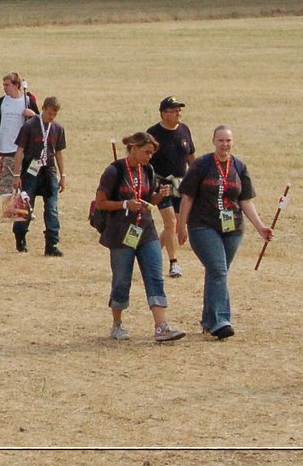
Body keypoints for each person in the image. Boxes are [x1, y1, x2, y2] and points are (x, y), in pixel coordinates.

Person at [177, 125, 273, 340]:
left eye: (228, 140)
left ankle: (208, 320)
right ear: (213, 141)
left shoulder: (239, 166)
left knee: (217, 273)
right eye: (220, 140)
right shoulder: (201, 165)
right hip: (203, 225)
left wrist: (260, 227)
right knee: (218, 270)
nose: (225, 144)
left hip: (232, 228)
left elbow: (245, 200)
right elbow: (187, 197)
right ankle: (221, 321)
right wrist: (181, 226)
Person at [94, 133, 186, 342]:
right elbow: (100, 202)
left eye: (152, 153)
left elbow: (148, 199)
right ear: (134, 148)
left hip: (145, 230)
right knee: (121, 280)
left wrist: (159, 195)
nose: (149, 157)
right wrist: (125, 204)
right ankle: (117, 324)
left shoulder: (148, 170)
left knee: (155, 275)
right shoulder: (114, 171)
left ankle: (161, 326)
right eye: (146, 152)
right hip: (120, 234)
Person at [11, 96, 67, 256]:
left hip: (48, 171)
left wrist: (63, 175)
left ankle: (52, 244)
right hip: (30, 170)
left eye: (55, 115)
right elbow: (20, 151)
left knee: (52, 208)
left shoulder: (57, 128)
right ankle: (20, 236)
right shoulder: (30, 126)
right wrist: (16, 174)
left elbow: (58, 153)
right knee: (26, 206)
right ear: (43, 109)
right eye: (50, 114)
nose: (52, 117)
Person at [148, 96, 197, 279]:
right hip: (161, 184)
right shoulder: (153, 134)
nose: (178, 114)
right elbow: (145, 161)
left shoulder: (184, 130)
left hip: (180, 184)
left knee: (177, 225)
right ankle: (173, 263)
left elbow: (191, 156)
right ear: (163, 114)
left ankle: (151, 252)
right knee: (171, 223)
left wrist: (196, 177)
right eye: (174, 110)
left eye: (179, 110)